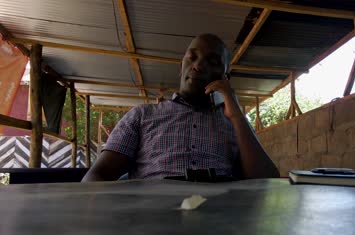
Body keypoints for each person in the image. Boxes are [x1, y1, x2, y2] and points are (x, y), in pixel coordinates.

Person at [82, 34, 279, 182]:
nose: (198, 66)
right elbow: (98, 174)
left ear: (224, 78)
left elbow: (266, 182)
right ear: (181, 67)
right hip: (153, 216)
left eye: (212, 62)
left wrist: (236, 115)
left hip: (219, 216)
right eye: (192, 58)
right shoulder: (142, 115)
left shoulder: (235, 124)